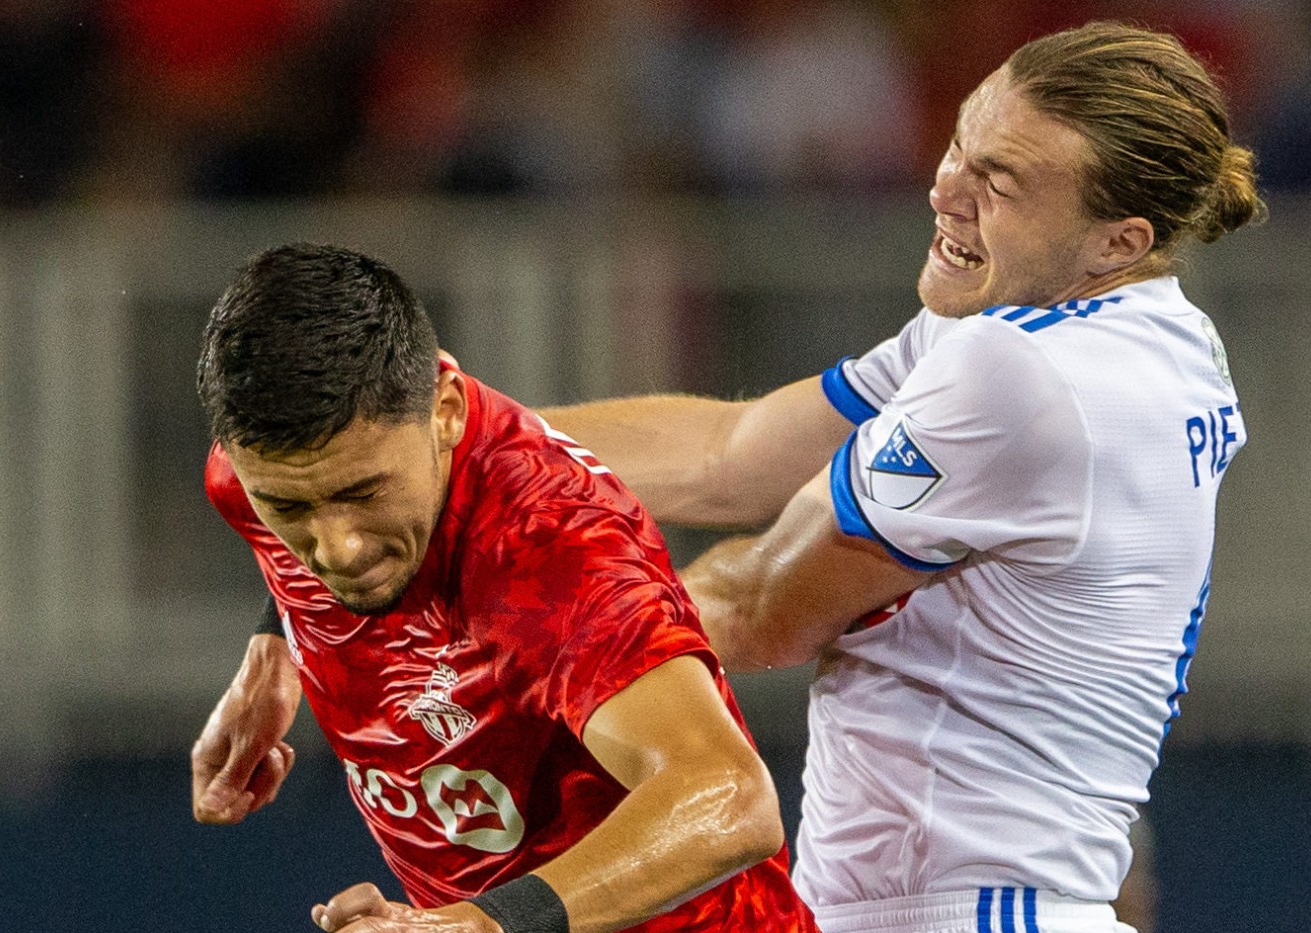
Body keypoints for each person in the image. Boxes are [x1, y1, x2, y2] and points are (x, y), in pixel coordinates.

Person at [538, 22, 1262, 933]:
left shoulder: (1025, 372)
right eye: (961, 143)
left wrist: (503, 641)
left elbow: (760, 607)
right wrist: (467, 441)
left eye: (999, 182)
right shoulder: (1130, 331)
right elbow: (733, 454)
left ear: (1118, 240)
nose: (944, 189)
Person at [188, 243, 818, 933]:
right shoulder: (265, 467)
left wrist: (479, 924)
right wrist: (274, 650)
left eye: (364, 493)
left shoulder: (550, 555)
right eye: (286, 509)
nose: (338, 549)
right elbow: (307, 502)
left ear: (446, 411)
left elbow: (729, 795)